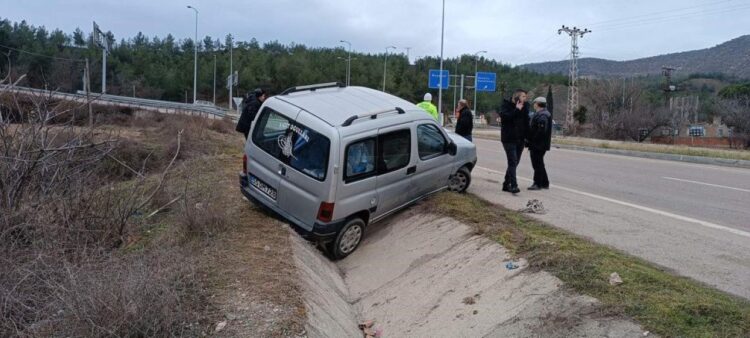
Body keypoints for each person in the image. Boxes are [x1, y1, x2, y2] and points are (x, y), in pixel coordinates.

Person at [499, 89, 530, 194]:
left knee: (515, 162)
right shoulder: (506, 106)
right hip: (508, 139)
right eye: (523, 97)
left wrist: (528, 138)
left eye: (525, 97)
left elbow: (526, 123)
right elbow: (506, 118)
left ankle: (505, 184)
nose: (525, 99)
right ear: (516, 97)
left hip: (520, 139)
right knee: (512, 161)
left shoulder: (525, 107)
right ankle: (513, 185)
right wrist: (516, 109)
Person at [527, 97, 552, 190]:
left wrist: (532, 139)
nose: (534, 104)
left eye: (535, 103)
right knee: (540, 163)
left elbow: (541, 131)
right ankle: (545, 182)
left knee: (537, 164)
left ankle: (537, 183)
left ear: (538, 104)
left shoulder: (543, 115)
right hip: (539, 144)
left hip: (538, 144)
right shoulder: (542, 114)